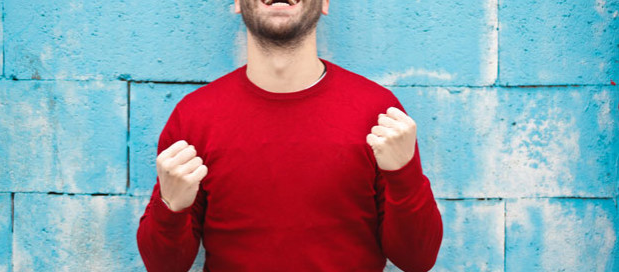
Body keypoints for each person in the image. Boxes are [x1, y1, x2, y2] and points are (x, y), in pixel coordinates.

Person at [136, 0, 443, 271]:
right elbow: (164, 266)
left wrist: (404, 175)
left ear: (325, 3)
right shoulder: (194, 117)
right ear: (237, 2)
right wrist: (171, 207)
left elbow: (417, 259)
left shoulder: (379, 114)